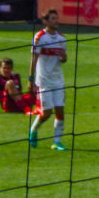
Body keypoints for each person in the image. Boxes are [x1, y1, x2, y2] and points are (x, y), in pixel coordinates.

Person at [28, 9, 68, 151]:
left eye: (56, 18)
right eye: (52, 18)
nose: (56, 21)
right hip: (43, 80)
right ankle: (33, 130)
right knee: (46, 113)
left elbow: (63, 59)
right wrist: (30, 79)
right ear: (45, 21)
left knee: (60, 111)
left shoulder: (62, 39)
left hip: (58, 80)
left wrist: (63, 58)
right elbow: (34, 59)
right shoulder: (39, 37)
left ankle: (57, 142)